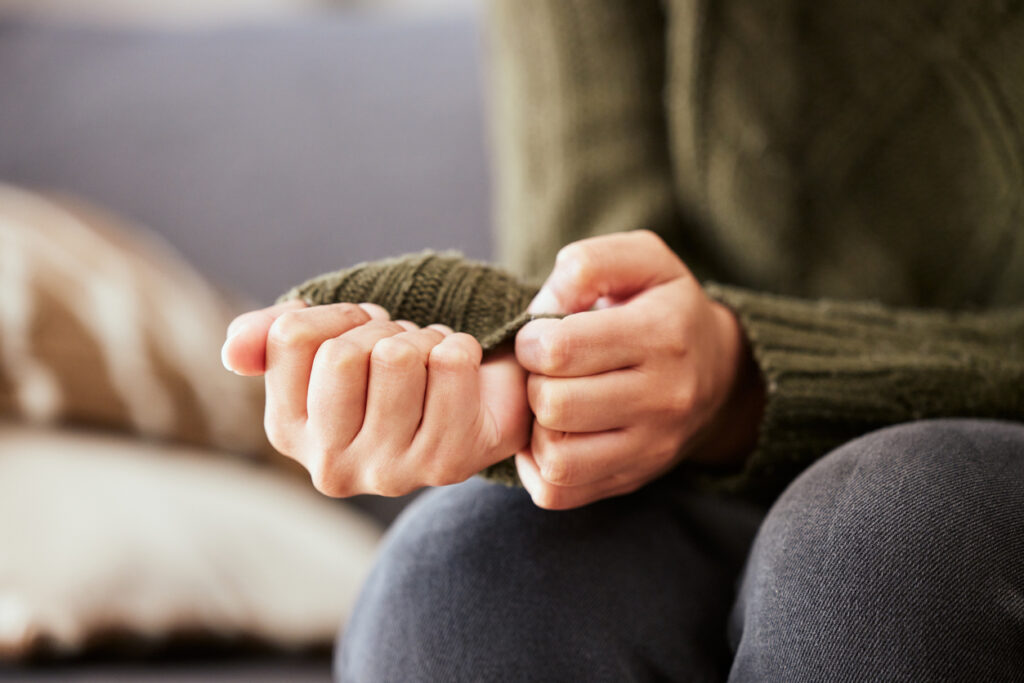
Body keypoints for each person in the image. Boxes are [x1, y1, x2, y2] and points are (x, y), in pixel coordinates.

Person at [222, 1, 1024, 680]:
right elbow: (584, 267)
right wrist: (547, 384)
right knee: (460, 579)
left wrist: (737, 374)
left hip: (947, 454)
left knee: (888, 546)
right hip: (699, 463)